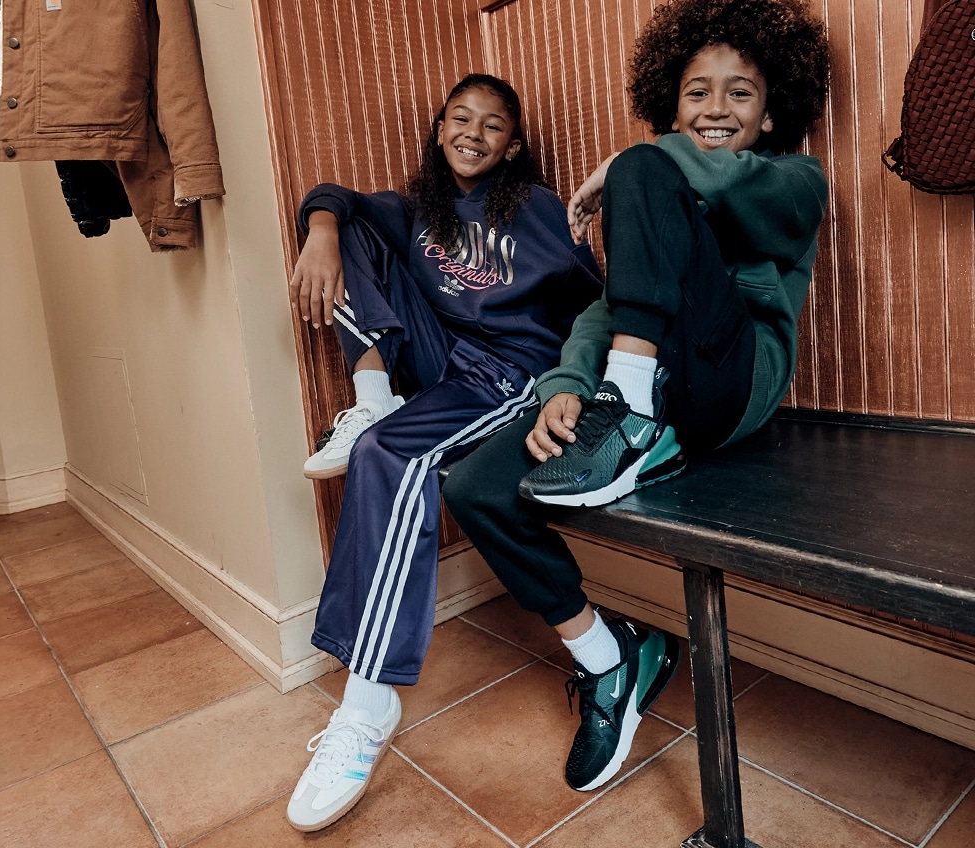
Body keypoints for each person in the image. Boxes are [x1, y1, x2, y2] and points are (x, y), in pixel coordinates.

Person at [442, 0, 831, 794]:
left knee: (642, 166)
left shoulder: (793, 181)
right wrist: (566, 388)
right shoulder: (658, 184)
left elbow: (691, 174)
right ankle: (611, 658)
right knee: (475, 486)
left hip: (728, 388)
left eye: (739, 94)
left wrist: (634, 168)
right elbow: (604, 309)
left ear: (770, 113)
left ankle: (631, 419)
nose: (715, 109)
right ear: (671, 98)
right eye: (696, 92)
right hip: (636, 389)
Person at [286, 74, 604, 831]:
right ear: (437, 130)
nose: (473, 132)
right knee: (357, 219)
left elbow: (596, 294)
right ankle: (371, 404)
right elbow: (335, 193)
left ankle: (364, 710)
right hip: (441, 359)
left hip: (506, 372)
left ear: (513, 146)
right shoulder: (421, 208)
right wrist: (322, 228)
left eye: (492, 125)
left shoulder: (535, 209)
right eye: (459, 118)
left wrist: (574, 380)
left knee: (388, 463)